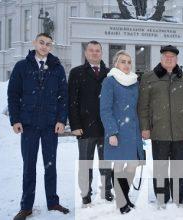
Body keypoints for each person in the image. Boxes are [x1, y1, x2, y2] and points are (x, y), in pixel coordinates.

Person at [8, 33, 69, 220]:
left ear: (51, 47)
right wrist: (15, 120)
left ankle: (53, 201)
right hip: (28, 125)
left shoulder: (57, 68)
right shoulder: (22, 66)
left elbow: (63, 97)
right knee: (29, 166)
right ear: (35, 43)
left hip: (51, 125)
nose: (44, 46)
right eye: (41, 42)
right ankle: (26, 206)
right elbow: (13, 94)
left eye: (48, 44)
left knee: (50, 166)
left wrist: (61, 120)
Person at [138, 45, 183, 207]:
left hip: (180, 129)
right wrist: (144, 126)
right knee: (160, 166)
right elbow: (143, 105)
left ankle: (179, 197)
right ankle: (161, 197)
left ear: (177, 59)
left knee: (179, 167)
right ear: (161, 58)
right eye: (166, 55)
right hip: (158, 129)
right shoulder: (149, 77)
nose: (169, 58)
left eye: (172, 56)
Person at [68, 40, 114, 205]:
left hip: (105, 128)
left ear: (101, 53)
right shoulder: (76, 72)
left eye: (97, 50)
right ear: (86, 53)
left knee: (106, 162)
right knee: (85, 162)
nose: (95, 53)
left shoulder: (110, 74)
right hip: (85, 128)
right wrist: (75, 125)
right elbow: (72, 101)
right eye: (91, 50)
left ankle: (107, 190)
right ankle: (86, 193)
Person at [100, 50, 145, 214]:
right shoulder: (109, 81)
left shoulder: (134, 82)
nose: (126, 65)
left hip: (133, 130)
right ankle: (121, 202)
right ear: (115, 64)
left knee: (132, 164)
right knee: (119, 166)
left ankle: (125, 196)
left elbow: (138, 108)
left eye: (128, 62)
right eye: (122, 61)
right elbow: (105, 109)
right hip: (117, 131)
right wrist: (111, 132)